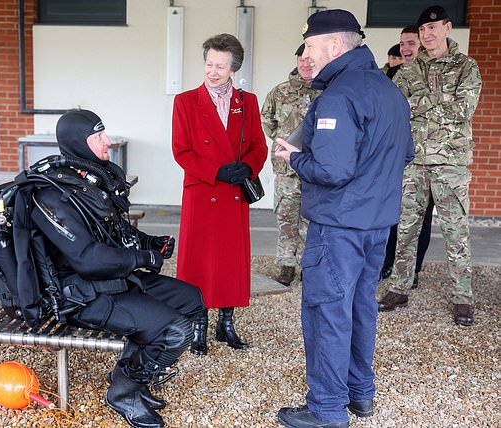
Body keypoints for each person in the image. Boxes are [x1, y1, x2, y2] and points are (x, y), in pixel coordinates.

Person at [273, 9, 413, 427]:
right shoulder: (390, 92)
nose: (309, 56)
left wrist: (295, 156)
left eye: (313, 47)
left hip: (338, 228)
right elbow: (404, 155)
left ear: (335, 44)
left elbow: (333, 171)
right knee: (359, 309)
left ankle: (327, 409)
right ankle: (359, 394)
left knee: (327, 314)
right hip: (376, 226)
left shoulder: (337, 96)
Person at [26, 109, 204, 428]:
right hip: (80, 294)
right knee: (175, 330)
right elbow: (87, 258)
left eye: (104, 133)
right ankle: (124, 392)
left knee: (192, 300)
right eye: (98, 137)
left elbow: (113, 231)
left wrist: (149, 243)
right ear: (78, 142)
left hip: (115, 278)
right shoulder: (50, 194)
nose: (107, 142)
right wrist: (142, 260)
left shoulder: (92, 180)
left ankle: (130, 371)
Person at [378, 5, 482, 327]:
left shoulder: (467, 67)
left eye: (433, 28)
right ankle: (399, 287)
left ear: (448, 29)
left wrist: (420, 105)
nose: (427, 34)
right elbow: (398, 111)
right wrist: (440, 99)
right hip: (414, 164)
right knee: (406, 229)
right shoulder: (408, 71)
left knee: (456, 233)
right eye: (423, 30)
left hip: (450, 164)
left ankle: (463, 297)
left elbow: (463, 109)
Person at [172, 33, 267, 355]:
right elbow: (181, 151)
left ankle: (226, 324)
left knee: (230, 260)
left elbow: (258, 145)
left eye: (221, 66)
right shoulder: (185, 101)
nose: (213, 71)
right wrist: (215, 171)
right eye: (209, 64)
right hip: (203, 191)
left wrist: (248, 167)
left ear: (233, 69)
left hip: (233, 194)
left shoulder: (248, 102)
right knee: (199, 259)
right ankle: (199, 325)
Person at [261, 43, 320, 286]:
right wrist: (283, 142)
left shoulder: (326, 91)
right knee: (286, 218)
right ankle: (286, 265)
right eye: (301, 60)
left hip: (314, 167)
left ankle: (308, 265)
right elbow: (267, 121)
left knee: (311, 219)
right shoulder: (280, 92)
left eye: (310, 60)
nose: (306, 64)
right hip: (286, 169)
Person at [381, 25, 434, 288]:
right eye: (402, 44)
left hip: (427, 158)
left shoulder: (429, 74)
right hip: (395, 157)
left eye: (411, 43)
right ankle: (388, 263)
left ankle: (412, 270)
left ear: (422, 45)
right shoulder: (391, 76)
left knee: (421, 220)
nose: (405, 49)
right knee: (391, 215)